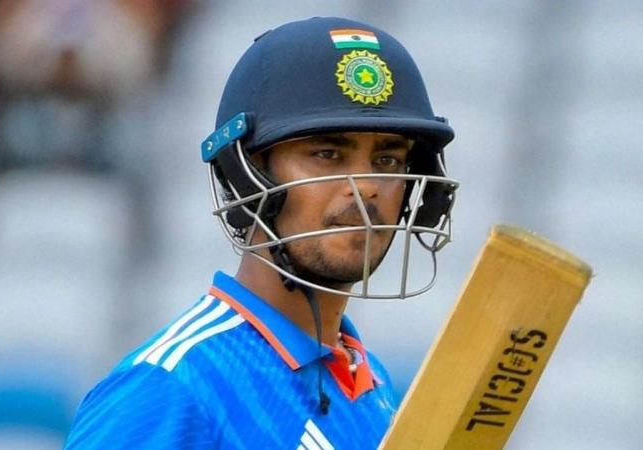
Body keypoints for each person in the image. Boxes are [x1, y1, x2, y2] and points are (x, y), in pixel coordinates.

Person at [65, 16, 458, 449]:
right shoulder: (171, 387)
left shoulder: (372, 384)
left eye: (387, 161)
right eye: (327, 154)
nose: (365, 187)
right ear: (246, 176)